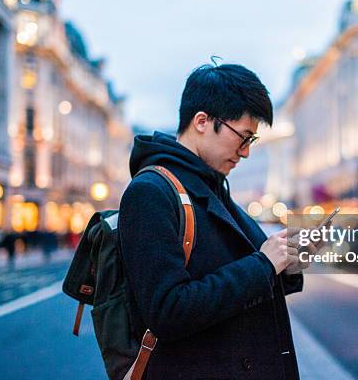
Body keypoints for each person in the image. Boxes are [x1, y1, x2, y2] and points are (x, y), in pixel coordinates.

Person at [119, 63, 311, 379]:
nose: (246, 152)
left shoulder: (213, 185)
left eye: (252, 140)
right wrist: (264, 264)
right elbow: (168, 310)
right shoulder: (151, 192)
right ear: (203, 121)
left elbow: (244, 282)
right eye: (243, 137)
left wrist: (289, 261)